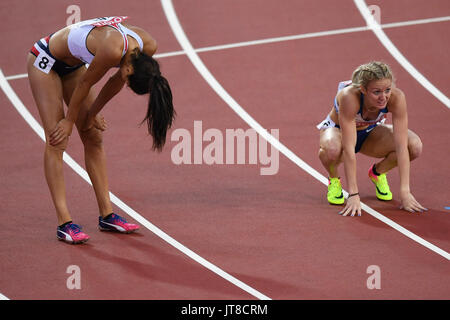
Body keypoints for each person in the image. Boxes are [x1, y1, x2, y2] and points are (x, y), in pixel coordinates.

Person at [27, 16, 175, 243]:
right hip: (46, 60)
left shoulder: (148, 46)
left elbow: (114, 82)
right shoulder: (112, 50)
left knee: (94, 137)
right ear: (128, 69)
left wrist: (92, 114)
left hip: (73, 65)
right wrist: (69, 121)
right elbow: (87, 84)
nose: (124, 81)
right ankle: (64, 223)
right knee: (57, 139)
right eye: (127, 79)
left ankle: (107, 215)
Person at [317, 61, 427, 216]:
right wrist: (354, 194)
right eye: (377, 92)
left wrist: (405, 192)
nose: (384, 97)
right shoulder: (349, 97)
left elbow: (401, 146)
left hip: (370, 133)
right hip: (339, 132)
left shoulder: (397, 98)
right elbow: (349, 148)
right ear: (363, 89)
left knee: (414, 146)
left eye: (387, 90)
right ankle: (334, 178)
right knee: (332, 150)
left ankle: (378, 173)